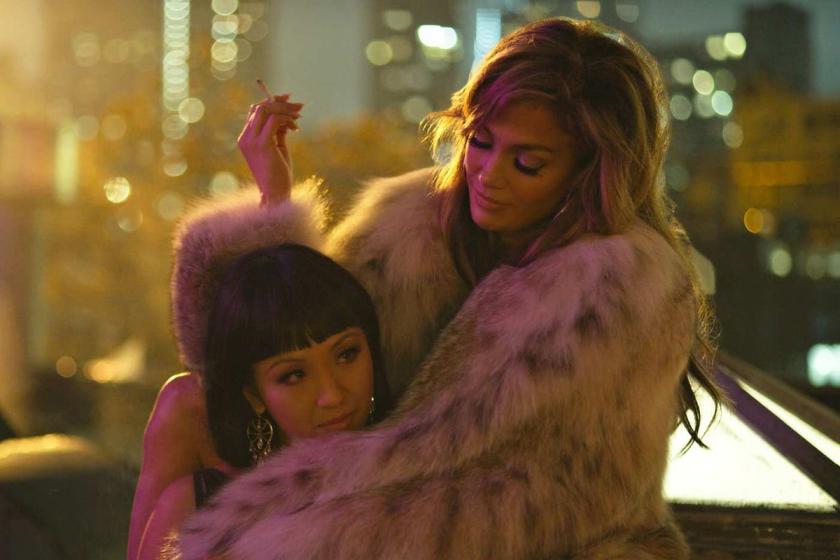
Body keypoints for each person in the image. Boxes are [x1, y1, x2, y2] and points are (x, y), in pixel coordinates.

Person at [172, 17, 723, 559]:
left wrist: (274, 529)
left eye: (527, 163)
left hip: (549, 535)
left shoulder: (615, 288)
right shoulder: (417, 223)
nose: (488, 174)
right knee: (181, 406)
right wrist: (274, 198)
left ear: (589, 175)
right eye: (480, 141)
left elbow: (517, 502)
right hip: (394, 492)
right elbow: (259, 347)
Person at [133, 244, 392, 560]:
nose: (332, 395)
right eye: (294, 375)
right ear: (254, 395)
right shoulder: (198, 513)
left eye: (346, 354)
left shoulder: (420, 484)